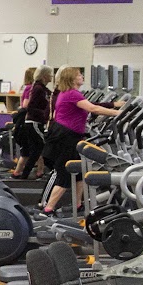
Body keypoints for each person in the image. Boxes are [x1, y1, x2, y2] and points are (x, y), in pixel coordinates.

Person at [41, 67, 120, 215]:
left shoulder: (68, 93)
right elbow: (94, 109)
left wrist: (113, 108)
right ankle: (48, 209)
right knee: (65, 173)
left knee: (79, 171)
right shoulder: (71, 93)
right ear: (71, 78)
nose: (82, 76)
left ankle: (77, 205)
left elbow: (90, 107)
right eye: (79, 75)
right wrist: (118, 113)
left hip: (70, 135)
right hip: (65, 137)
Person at [10, 66, 52, 178]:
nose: (52, 76)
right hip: (34, 122)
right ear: (44, 76)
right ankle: (26, 174)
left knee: (35, 151)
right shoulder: (38, 88)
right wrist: (45, 114)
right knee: (39, 148)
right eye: (50, 74)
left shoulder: (43, 89)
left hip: (36, 122)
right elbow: (30, 106)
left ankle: (34, 172)